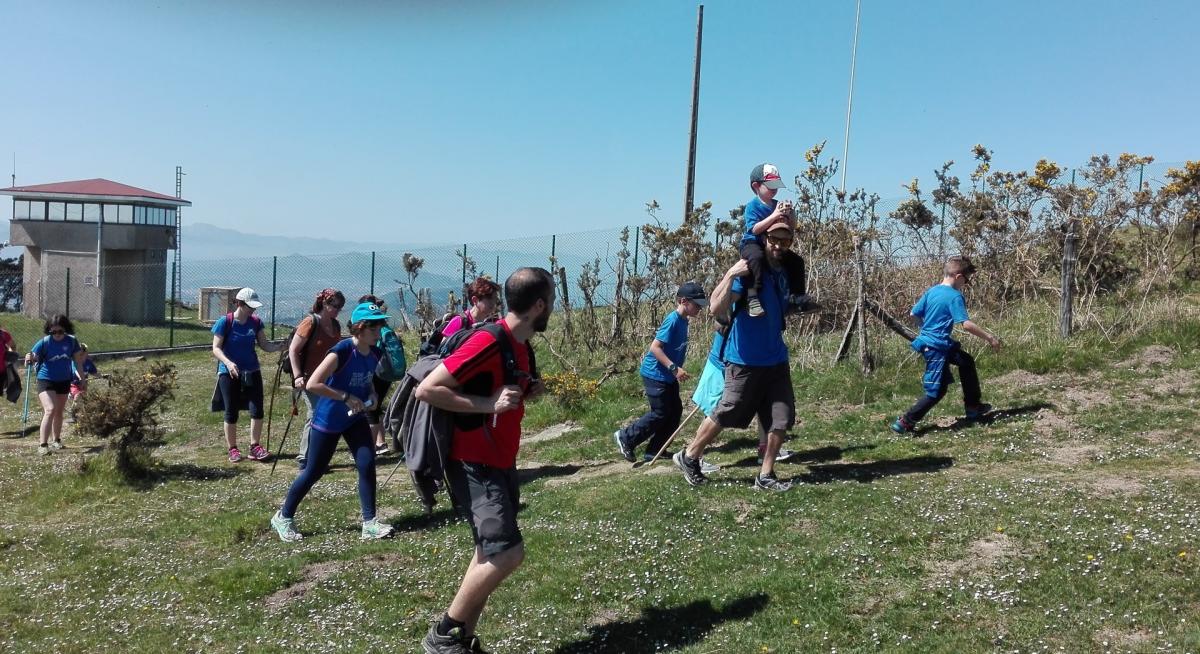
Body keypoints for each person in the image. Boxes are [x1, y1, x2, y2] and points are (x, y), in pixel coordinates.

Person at [417, 267, 550, 654]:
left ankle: (465, 641)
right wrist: (487, 404)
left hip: (501, 460)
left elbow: (509, 394)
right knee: (508, 553)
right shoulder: (489, 340)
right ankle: (443, 635)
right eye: (552, 301)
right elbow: (429, 389)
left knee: (486, 553)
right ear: (539, 305)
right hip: (474, 463)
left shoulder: (522, 345)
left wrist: (530, 392)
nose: (553, 309)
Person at [675, 221, 799, 492]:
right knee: (728, 411)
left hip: (776, 358)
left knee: (780, 416)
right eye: (774, 240)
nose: (779, 246)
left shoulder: (782, 272)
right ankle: (689, 456)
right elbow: (716, 308)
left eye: (785, 241)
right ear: (765, 238)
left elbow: (778, 309)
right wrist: (730, 273)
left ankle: (766, 475)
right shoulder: (748, 273)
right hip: (743, 360)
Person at [270, 301, 396, 542]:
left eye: (380, 327)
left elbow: (368, 380)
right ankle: (283, 516)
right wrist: (345, 397)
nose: (378, 332)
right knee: (313, 471)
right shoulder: (342, 351)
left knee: (367, 463)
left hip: (353, 419)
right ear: (359, 328)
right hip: (328, 419)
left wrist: (371, 394)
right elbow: (313, 383)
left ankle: (369, 523)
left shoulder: (375, 353)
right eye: (373, 328)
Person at [891, 255, 1001, 433]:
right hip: (936, 347)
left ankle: (973, 407)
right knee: (937, 391)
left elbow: (913, 314)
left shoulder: (932, 291)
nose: (966, 284)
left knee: (966, 361)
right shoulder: (954, 296)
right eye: (967, 281)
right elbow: (965, 325)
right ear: (958, 277)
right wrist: (989, 337)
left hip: (936, 343)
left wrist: (925, 329)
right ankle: (906, 421)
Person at [613, 282, 707, 464]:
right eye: (697, 304)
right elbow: (655, 348)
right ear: (683, 301)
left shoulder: (684, 321)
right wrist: (674, 368)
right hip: (655, 374)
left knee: (675, 411)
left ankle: (655, 449)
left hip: (668, 376)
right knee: (660, 412)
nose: (700, 308)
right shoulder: (672, 320)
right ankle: (626, 437)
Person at [689, 328, 796, 470]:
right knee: (715, 411)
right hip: (721, 365)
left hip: (743, 365)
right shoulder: (731, 320)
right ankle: (695, 457)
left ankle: (764, 451)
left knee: (764, 406)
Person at [211, 287, 283, 463]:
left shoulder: (256, 322)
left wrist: (282, 347)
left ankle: (255, 447)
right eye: (250, 306)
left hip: (252, 370)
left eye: (254, 307)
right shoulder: (225, 322)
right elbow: (216, 348)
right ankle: (233, 449)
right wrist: (228, 363)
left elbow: (264, 345)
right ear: (239, 304)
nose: (253, 310)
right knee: (231, 411)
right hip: (229, 373)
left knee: (257, 409)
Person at [739, 163, 809, 318]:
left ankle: (797, 297)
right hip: (753, 242)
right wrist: (775, 215)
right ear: (756, 186)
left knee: (797, 261)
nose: (774, 189)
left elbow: (791, 227)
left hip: (774, 243)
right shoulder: (752, 206)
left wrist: (791, 214)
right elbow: (754, 229)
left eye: (776, 185)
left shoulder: (778, 204)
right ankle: (752, 296)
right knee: (755, 259)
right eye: (770, 185)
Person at [290, 289, 346, 471]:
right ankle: (306, 457)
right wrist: (298, 375)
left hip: (329, 379)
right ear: (324, 304)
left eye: (340, 306)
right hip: (308, 379)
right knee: (315, 414)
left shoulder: (336, 326)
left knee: (325, 415)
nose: (337, 309)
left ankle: (317, 456)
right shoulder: (310, 323)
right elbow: (293, 350)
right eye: (334, 305)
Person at [25, 315, 86, 455]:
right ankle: (43, 445)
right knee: (50, 409)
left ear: (66, 329)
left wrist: (82, 380)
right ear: (49, 331)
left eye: (60, 331)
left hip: (64, 380)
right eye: (53, 332)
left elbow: (78, 362)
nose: (57, 334)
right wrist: (29, 358)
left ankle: (57, 440)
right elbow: (32, 355)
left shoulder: (72, 342)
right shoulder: (45, 342)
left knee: (59, 411)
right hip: (46, 379)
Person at [358, 293, 399, 455]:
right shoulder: (385, 327)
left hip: (377, 372)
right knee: (376, 407)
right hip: (386, 372)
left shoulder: (375, 331)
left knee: (371, 410)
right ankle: (381, 443)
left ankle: (370, 448)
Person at [67, 342, 99, 423]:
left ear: (86, 353)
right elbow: (77, 371)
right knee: (78, 396)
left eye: (82, 354)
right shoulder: (74, 362)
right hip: (73, 384)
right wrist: (81, 377)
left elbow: (94, 372)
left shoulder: (88, 363)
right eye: (78, 355)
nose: (80, 357)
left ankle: (83, 414)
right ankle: (73, 414)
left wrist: (101, 376)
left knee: (83, 399)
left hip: (84, 385)